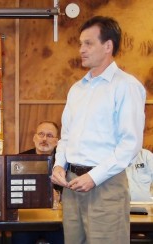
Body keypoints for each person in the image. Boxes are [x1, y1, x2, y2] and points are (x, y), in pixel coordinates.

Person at [51, 16, 146, 244]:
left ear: (108, 46)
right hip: (72, 185)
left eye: (88, 43)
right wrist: (58, 165)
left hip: (106, 185)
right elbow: (66, 136)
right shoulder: (77, 89)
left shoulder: (126, 86)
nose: (81, 49)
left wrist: (93, 177)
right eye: (80, 44)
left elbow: (130, 144)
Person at [12, 121, 64, 244]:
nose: (44, 139)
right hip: (28, 219)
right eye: (41, 134)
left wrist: (60, 196)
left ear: (57, 141)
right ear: (34, 138)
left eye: (50, 135)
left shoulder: (64, 162)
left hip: (56, 220)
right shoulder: (20, 159)